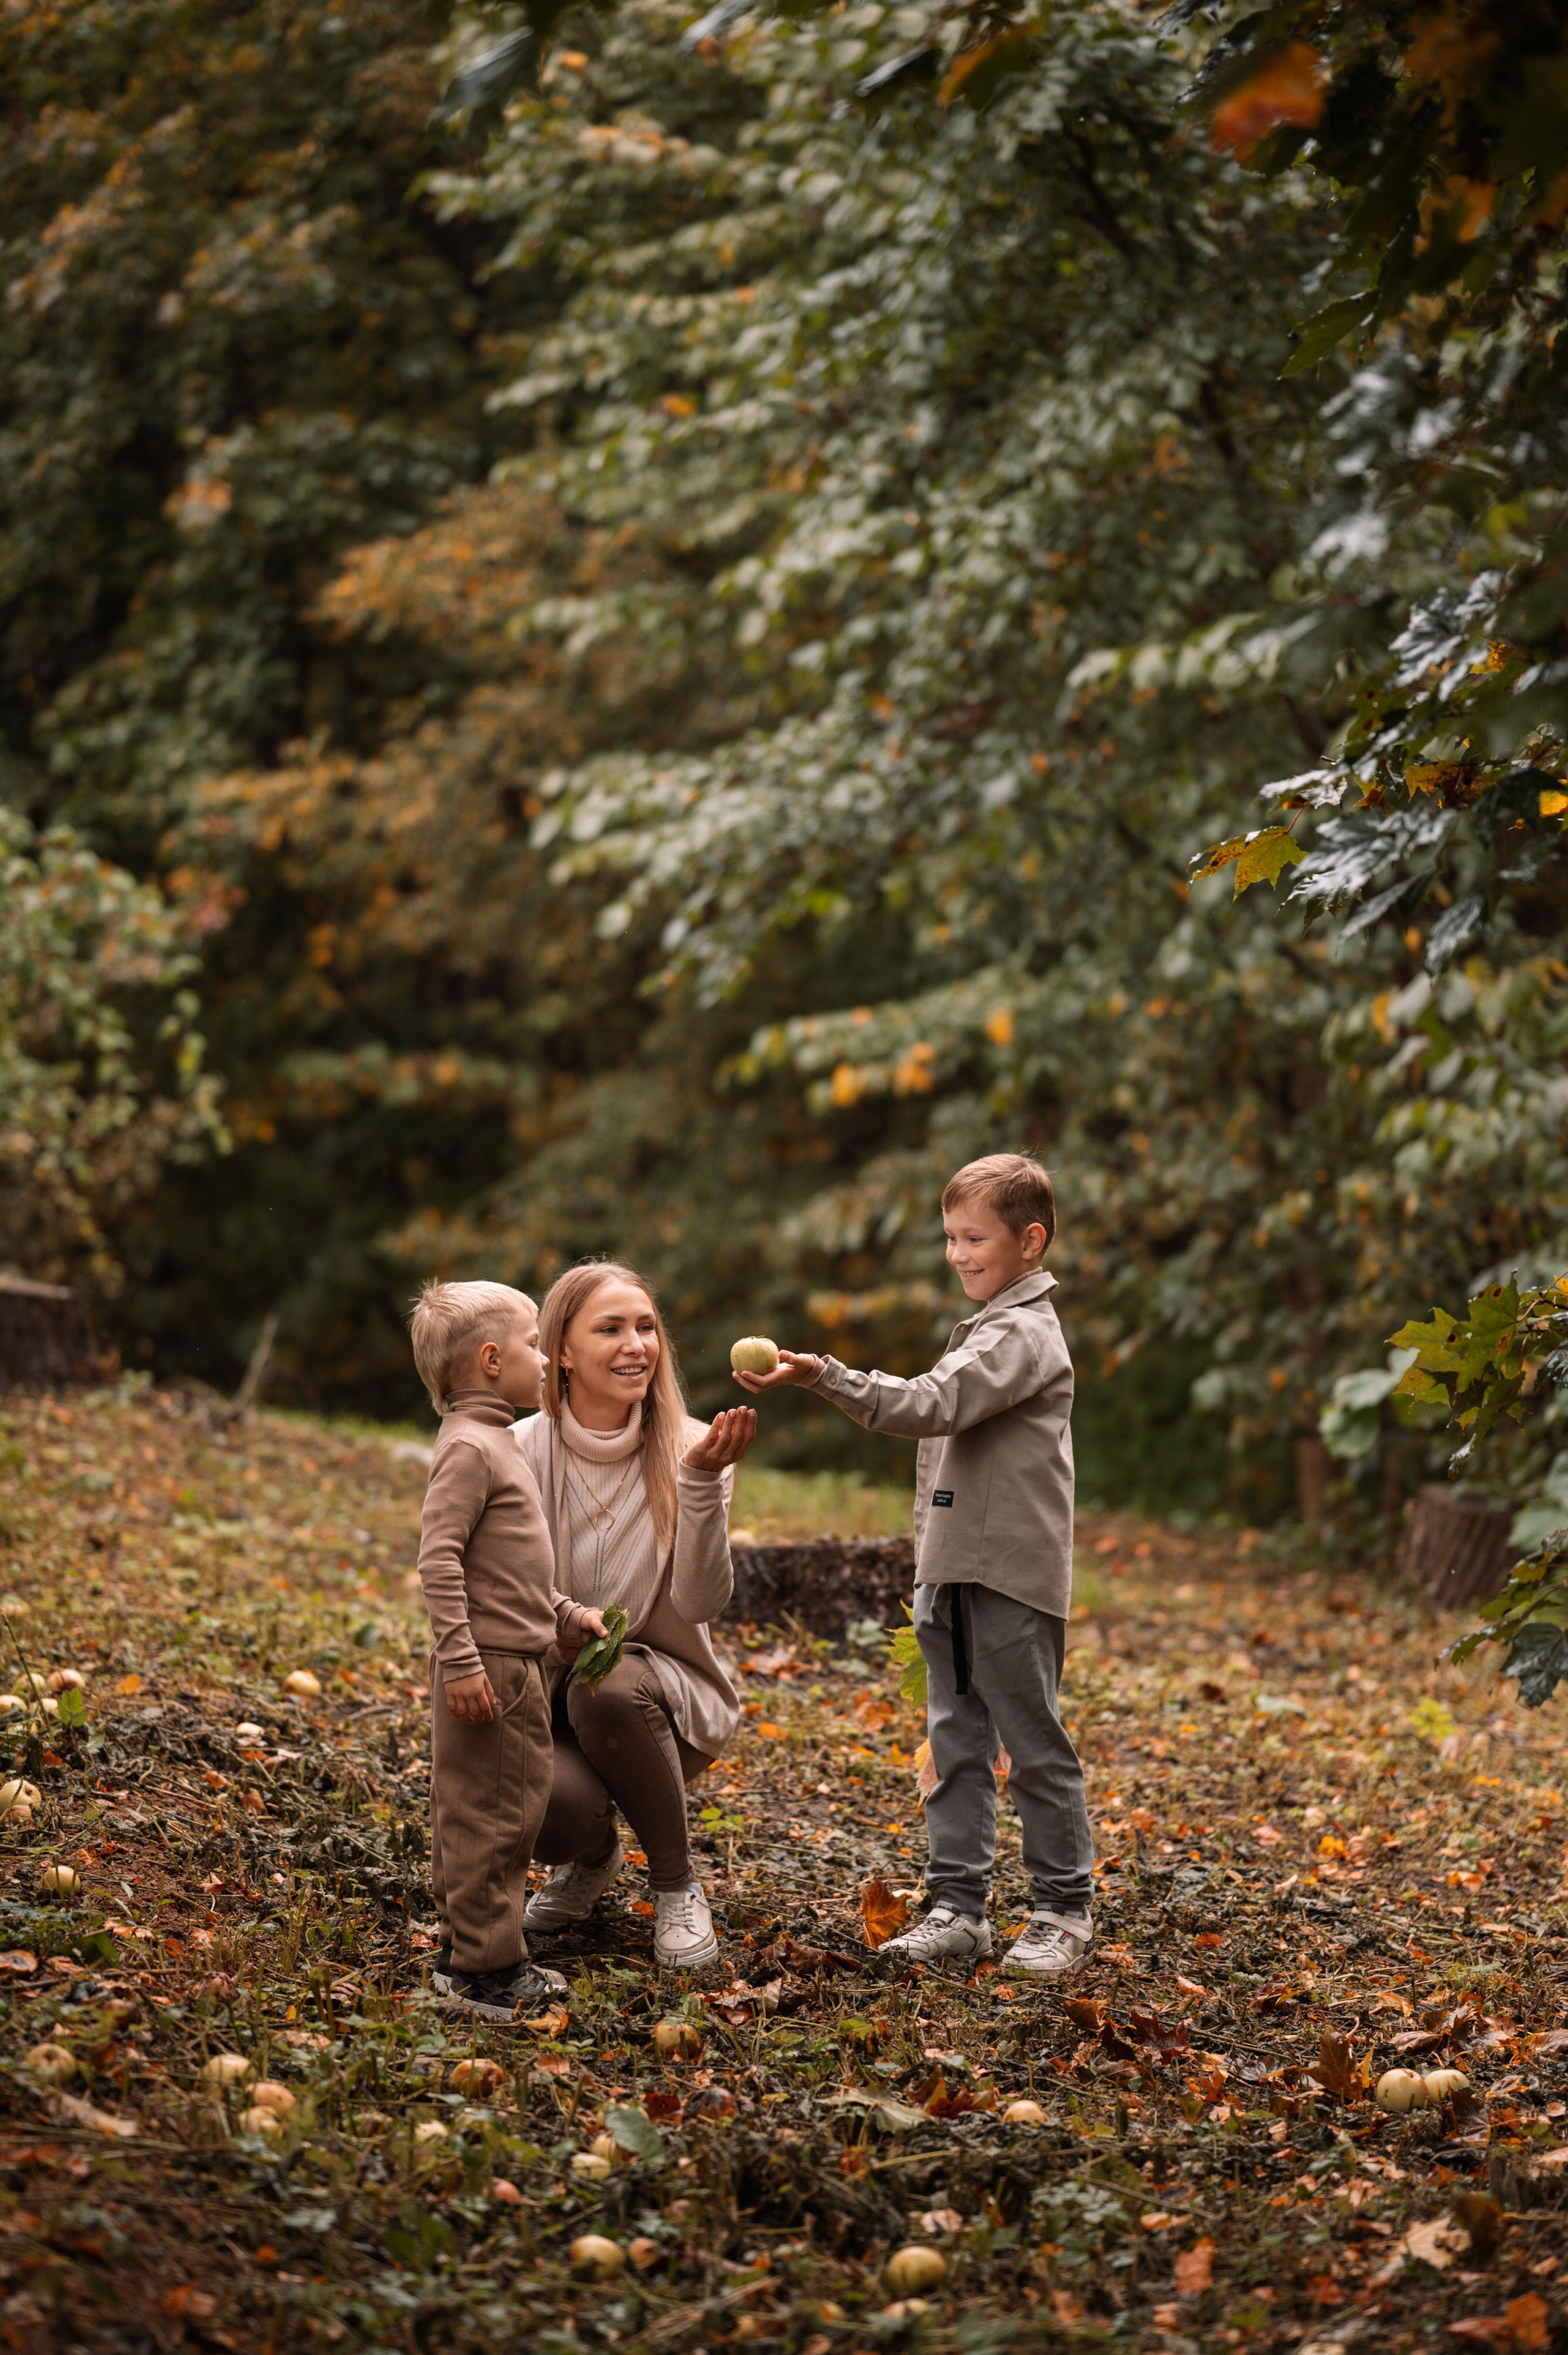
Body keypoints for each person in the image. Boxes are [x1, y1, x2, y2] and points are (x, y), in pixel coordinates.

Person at [733, 1152, 1094, 1978]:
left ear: (1030, 1241)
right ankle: (959, 1911)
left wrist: (823, 1374)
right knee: (954, 1744)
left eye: (975, 1239)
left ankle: (1062, 1914)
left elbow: (928, 1404)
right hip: (953, 1571)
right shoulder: (988, 1326)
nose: (959, 1255)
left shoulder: (1022, 1333)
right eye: (950, 1239)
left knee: (1033, 1744)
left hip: (1007, 1572)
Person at [512, 1260, 756, 1971]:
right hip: (546, 1694)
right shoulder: (521, 1450)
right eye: (610, 1328)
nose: (636, 1345)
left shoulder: (693, 1445)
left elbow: (702, 1603)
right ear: (562, 1349)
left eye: (646, 1327)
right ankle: (591, 1856)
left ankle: (677, 1887)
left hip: (658, 1703)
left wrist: (703, 1484)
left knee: (608, 1683)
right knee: (549, 1814)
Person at [409, 1277, 608, 2020]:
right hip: (486, 1665)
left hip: (517, 1657)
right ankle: (482, 1970)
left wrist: (563, 1612)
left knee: (511, 1809)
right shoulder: (469, 1447)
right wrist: (460, 1661)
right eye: (534, 1344)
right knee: (488, 1816)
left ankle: (470, 1948)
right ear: (491, 1359)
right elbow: (441, 1560)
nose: (549, 1358)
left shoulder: (495, 1438)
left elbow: (508, 1567)